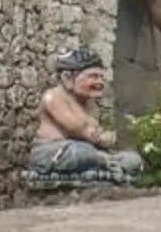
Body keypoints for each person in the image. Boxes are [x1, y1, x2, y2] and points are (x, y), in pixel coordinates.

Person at [29, 47, 143, 186]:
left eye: (101, 77)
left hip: (89, 149)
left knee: (133, 158)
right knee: (81, 152)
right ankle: (106, 163)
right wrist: (101, 138)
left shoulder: (90, 103)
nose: (100, 82)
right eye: (93, 76)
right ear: (67, 78)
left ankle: (107, 163)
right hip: (55, 151)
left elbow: (95, 134)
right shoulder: (53, 98)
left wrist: (104, 142)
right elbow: (78, 129)